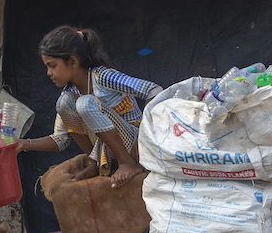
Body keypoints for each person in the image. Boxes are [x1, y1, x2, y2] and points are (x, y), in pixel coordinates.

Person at [17, 25, 163, 187]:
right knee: (64, 103)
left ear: (72, 61)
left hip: (136, 143)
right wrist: (23, 144)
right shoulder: (70, 94)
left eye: (52, 65)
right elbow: (60, 140)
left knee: (85, 103)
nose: (48, 73)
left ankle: (127, 163)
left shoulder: (102, 77)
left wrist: (147, 135)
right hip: (106, 150)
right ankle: (97, 162)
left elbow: (153, 90)